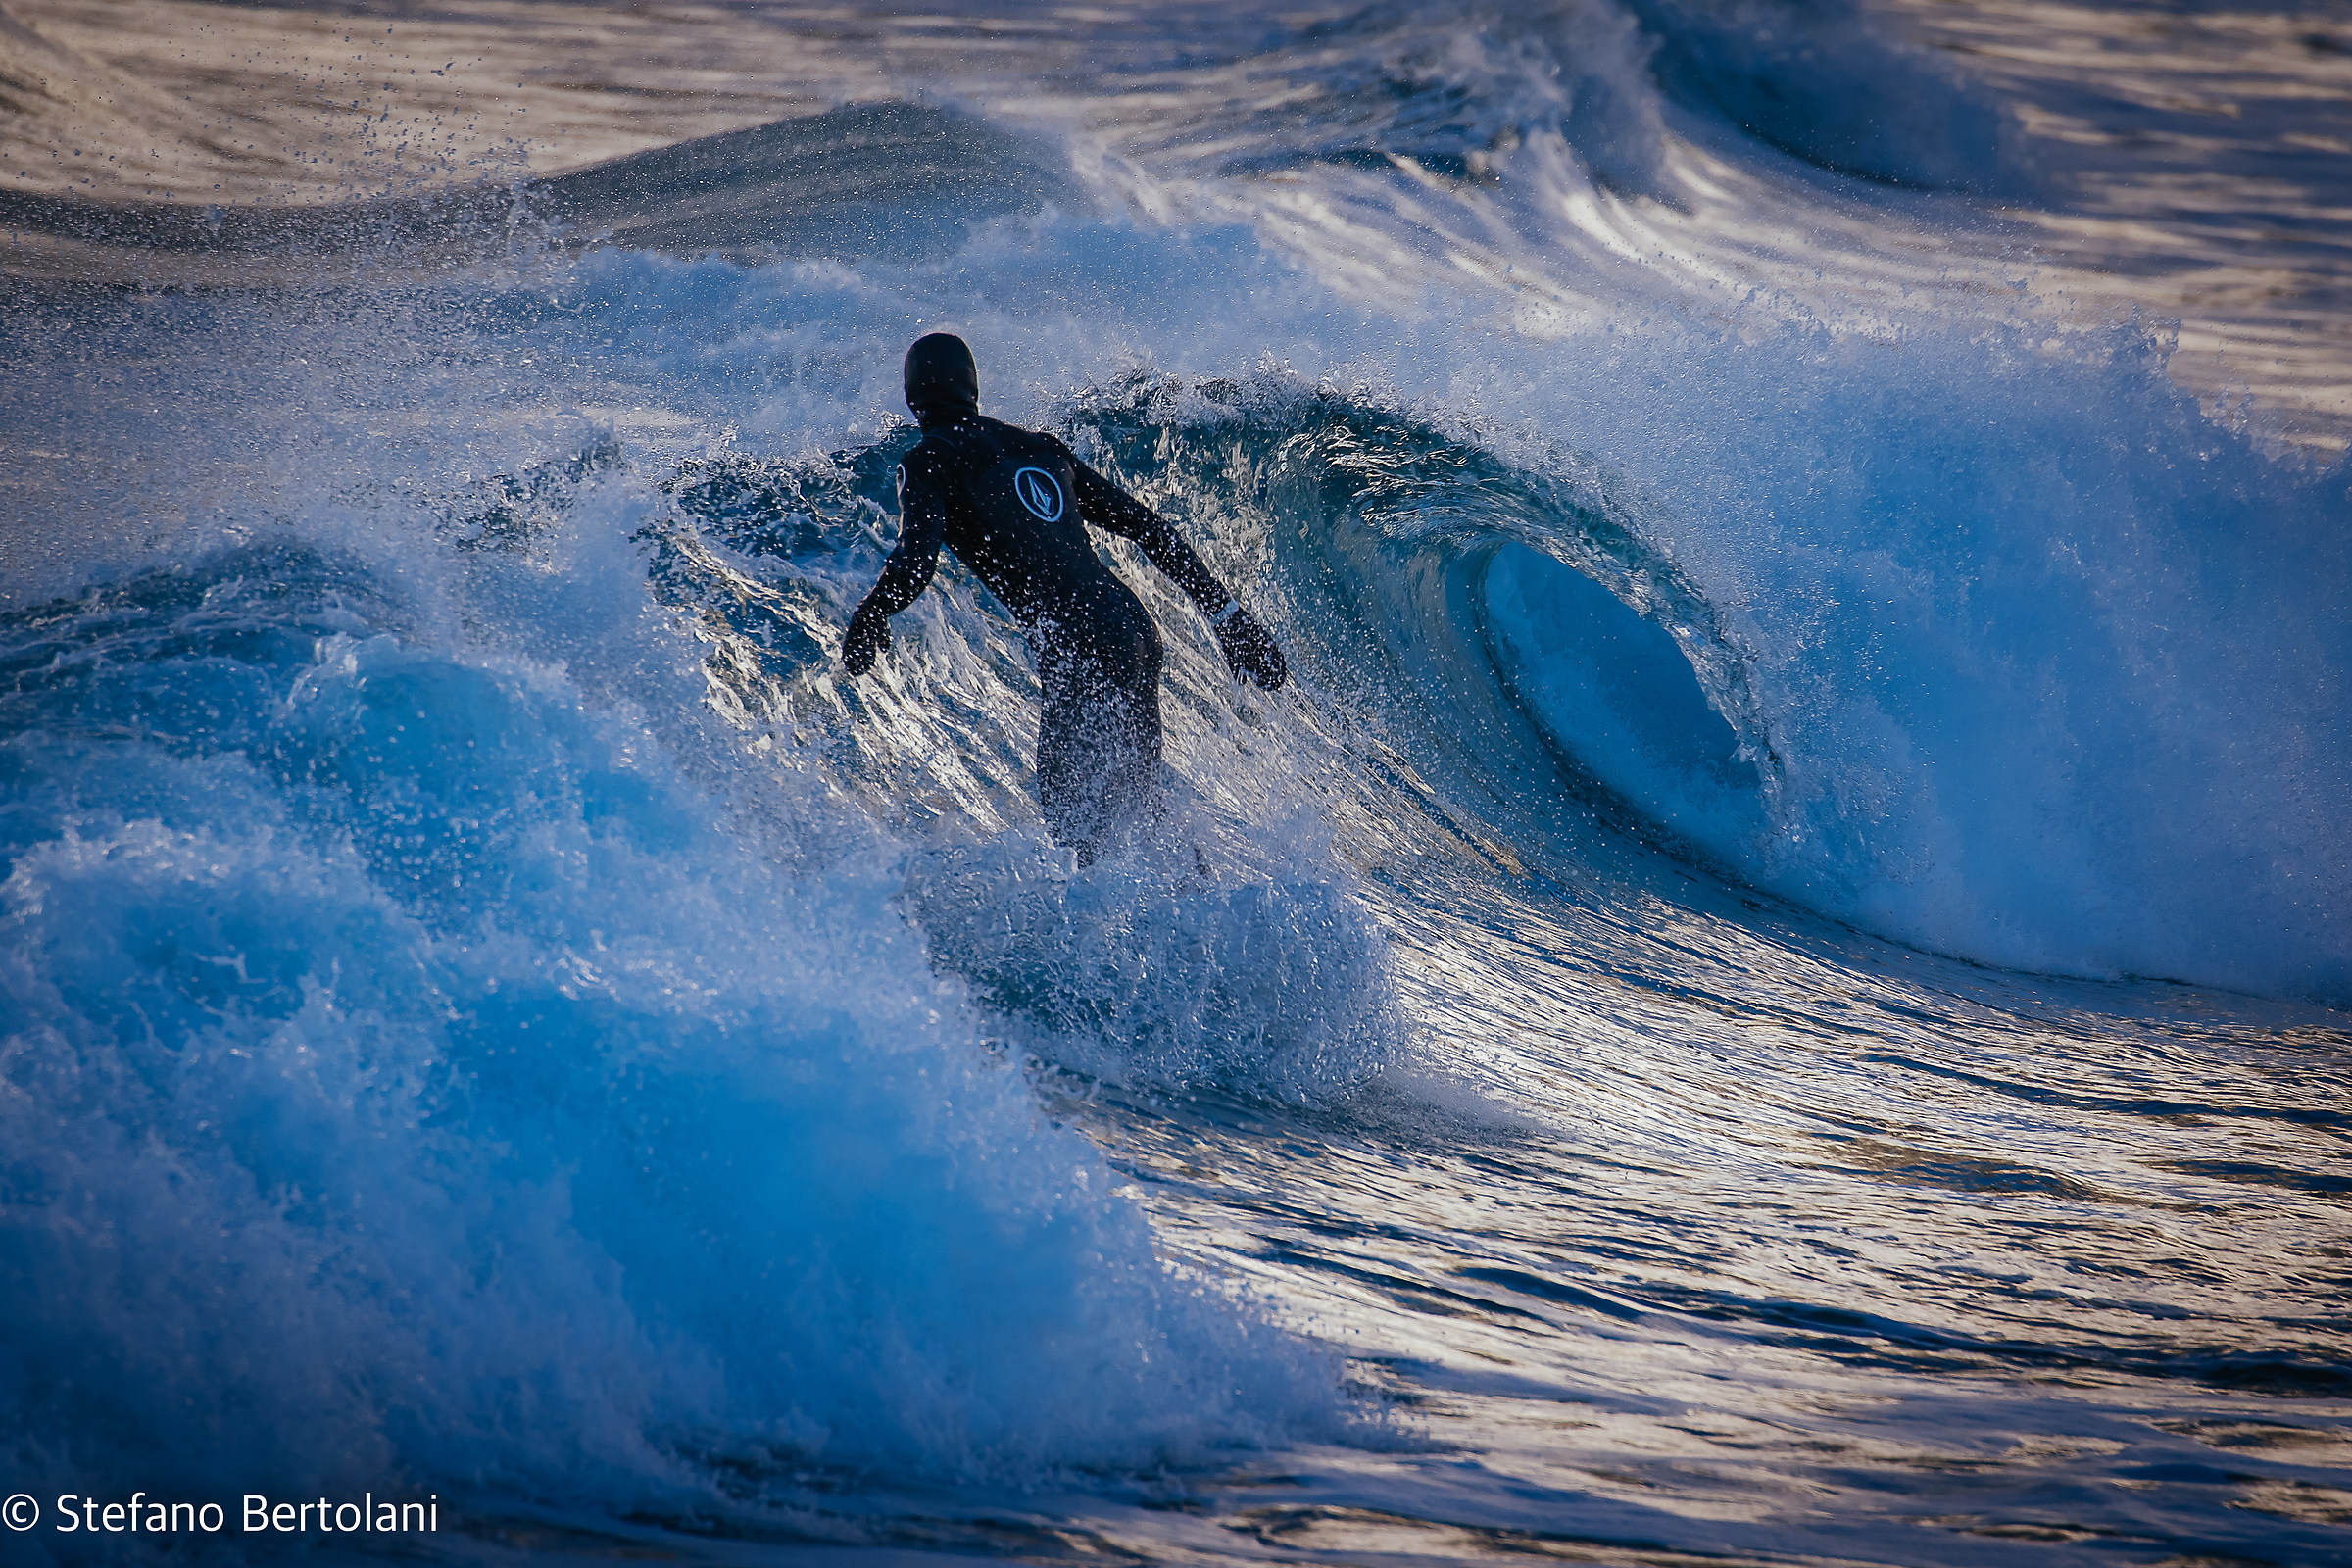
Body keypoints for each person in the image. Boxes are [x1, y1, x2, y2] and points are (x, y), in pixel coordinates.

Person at [841, 333, 1287, 862]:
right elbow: (1148, 527)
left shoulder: (931, 459)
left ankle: (1146, 931)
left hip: (1076, 639)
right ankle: (1200, 911)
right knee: (1139, 807)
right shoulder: (1040, 448)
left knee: (1076, 821)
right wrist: (1228, 616)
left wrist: (871, 612)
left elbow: (916, 562)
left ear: (913, 398)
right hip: (1130, 626)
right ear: (974, 388)